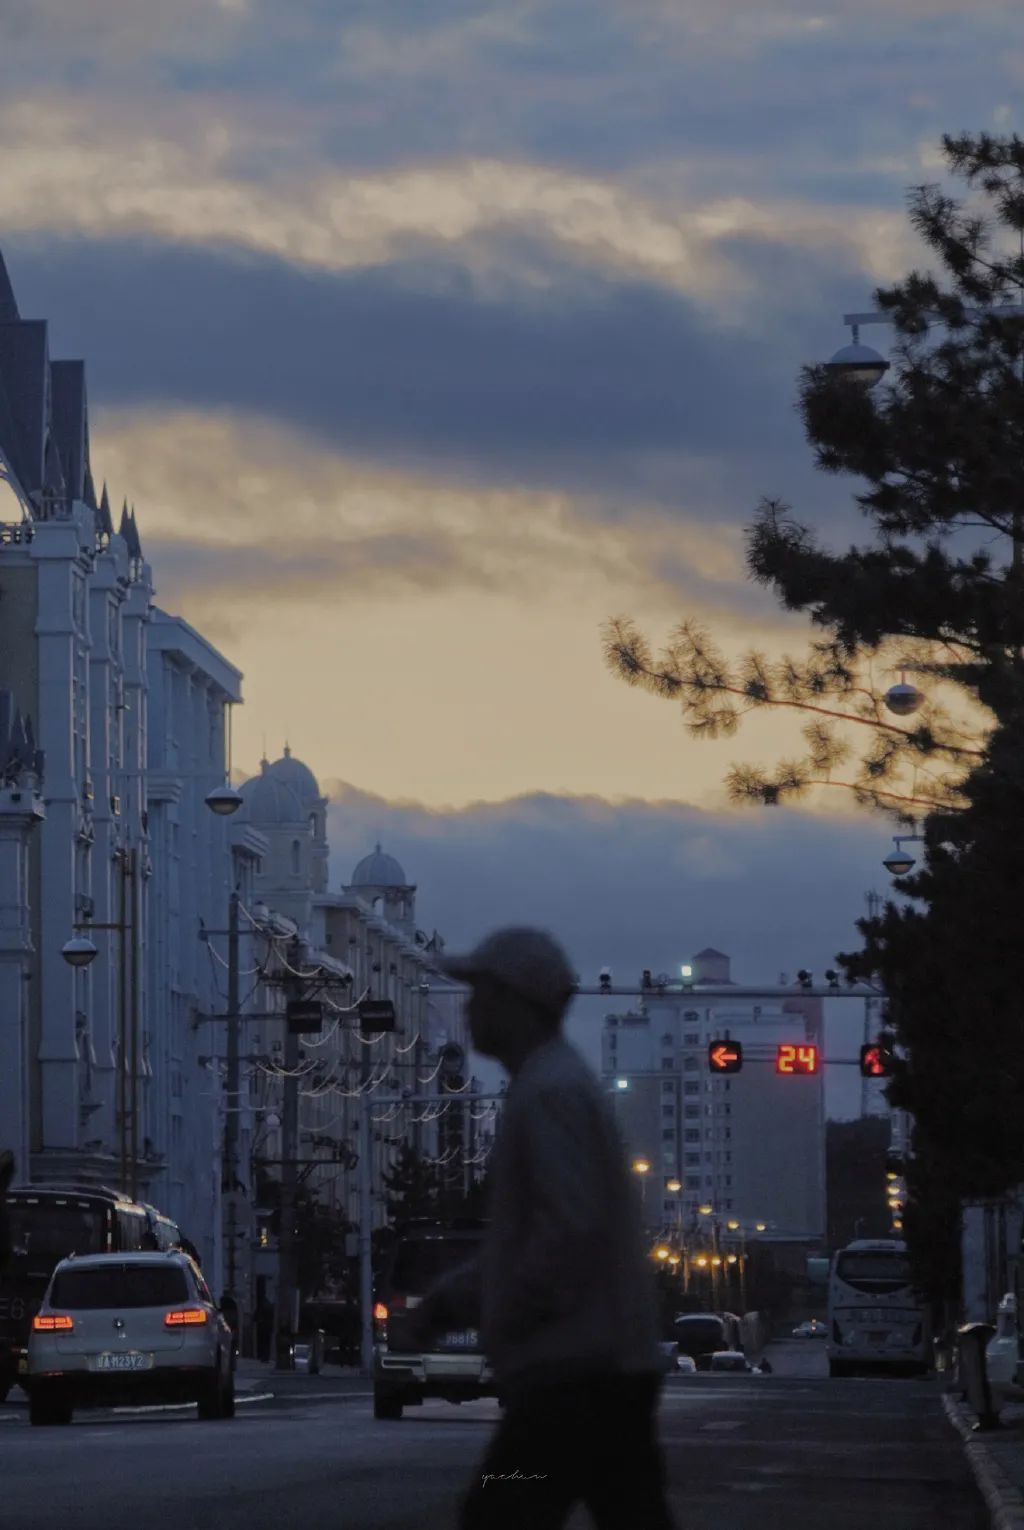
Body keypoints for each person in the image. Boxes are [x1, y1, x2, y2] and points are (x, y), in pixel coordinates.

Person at [418, 927, 675, 1530]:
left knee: (499, 1511)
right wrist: (453, 1302)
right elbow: (543, 1235)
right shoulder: (554, 1083)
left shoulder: (548, 1093)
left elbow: (565, 1234)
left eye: (481, 993)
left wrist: (500, 1312)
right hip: (601, 1369)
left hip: (573, 1375)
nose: (470, 1010)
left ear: (517, 1002)